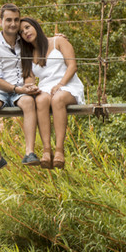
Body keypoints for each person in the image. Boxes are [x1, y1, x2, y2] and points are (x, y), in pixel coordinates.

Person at [18, 17, 85, 169]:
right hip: (46, 88)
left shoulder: (58, 41)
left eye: (27, 27)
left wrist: (60, 84)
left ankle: (59, 150)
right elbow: (29, 80)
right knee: (41, 100)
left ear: (35, 26)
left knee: (58, 99)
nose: (26, 32)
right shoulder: (28, 54)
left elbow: (72, 66)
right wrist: (30, 88)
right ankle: (46, 150)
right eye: (22, 32)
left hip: (68, 84)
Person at [0, 3, 40, 175]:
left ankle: (29, 152)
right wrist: (18, 89)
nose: (13, 24)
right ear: (1, 21)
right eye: (8, 20)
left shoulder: (25, 43)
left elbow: (32, 64)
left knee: (29, 102)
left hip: (21, 89)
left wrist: (28, 85)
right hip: (1, 89)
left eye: (16, 20)